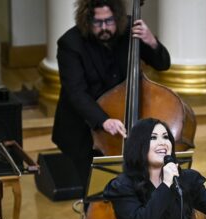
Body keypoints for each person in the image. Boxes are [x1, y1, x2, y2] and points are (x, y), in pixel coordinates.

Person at [52, 0, 171, 191]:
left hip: (125, 121)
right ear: (87, 21)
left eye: (109, 21)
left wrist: (151, 41)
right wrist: (104, 121)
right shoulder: (70, 43)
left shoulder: (132, 30)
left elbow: (163, 64)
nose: (104, 27)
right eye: (98, 23)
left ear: (118, 17)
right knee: (94, 191)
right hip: (84, 130)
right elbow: (76, 93)